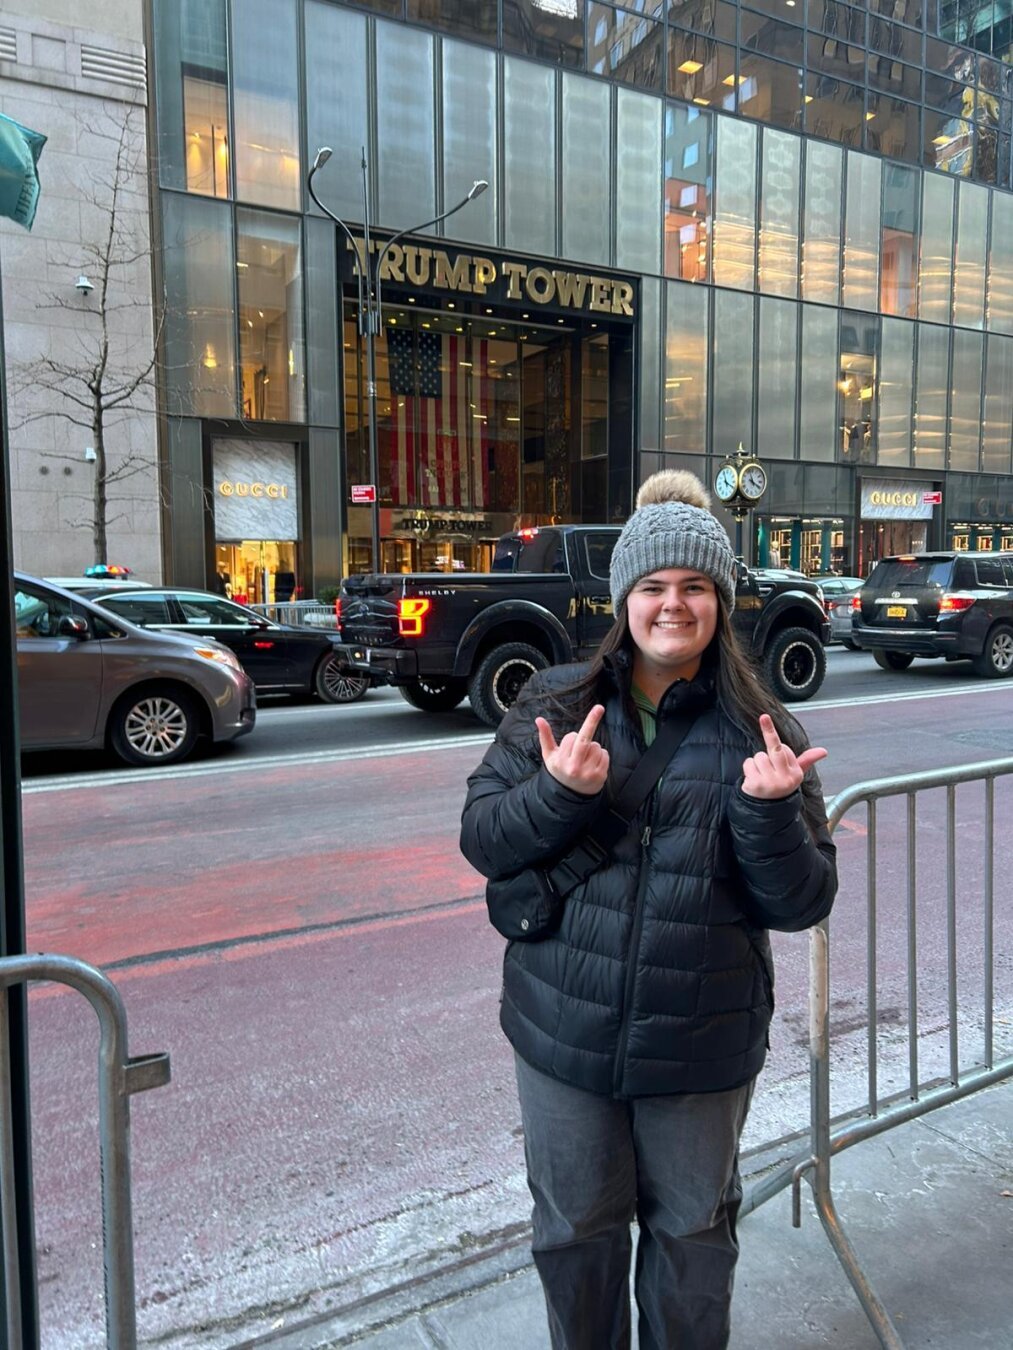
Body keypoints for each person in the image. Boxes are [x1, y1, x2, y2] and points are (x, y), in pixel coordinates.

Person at [460, 470, 838, 1350]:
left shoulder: (764, 731)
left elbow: (801, 900)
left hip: (701, 1048)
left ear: (722, 600)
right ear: (625, 597)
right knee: (574, 1237)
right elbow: (483, 839)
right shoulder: (553, 705)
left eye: (696, 587)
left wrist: (768, 811)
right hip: (564, 1039)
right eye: (655, 587)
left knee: (693, 1242)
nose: (674, 605)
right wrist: (556, 795)